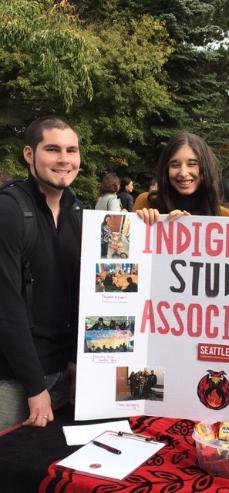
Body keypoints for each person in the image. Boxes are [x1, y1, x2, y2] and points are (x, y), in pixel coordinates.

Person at [0, 115, 81, 430]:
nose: (64, 159)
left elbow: (81, 294)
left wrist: (77, 359)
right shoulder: (9, 210)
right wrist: (35, 387)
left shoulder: (78, 211)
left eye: (71, 150)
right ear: (29, 155)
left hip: (65, 374)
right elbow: (6, 307)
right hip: (15, 380)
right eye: (53, 149)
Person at [133, 131, 229, 223]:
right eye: (175, 165)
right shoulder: (145, 203)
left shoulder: (227, 217)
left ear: (205, 168)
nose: (183, 173)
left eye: (192, 164)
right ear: (166, 169)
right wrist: (143, 224)